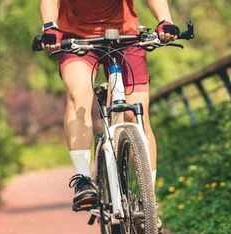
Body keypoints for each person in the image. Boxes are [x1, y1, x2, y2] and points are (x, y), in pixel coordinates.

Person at [38, 0, 179, 210]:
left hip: (126, 37)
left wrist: (165, 20)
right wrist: (50, 27)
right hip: (76, 41)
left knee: (136, 114)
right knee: (80, 96)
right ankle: (83, 179)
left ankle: (149, 201)